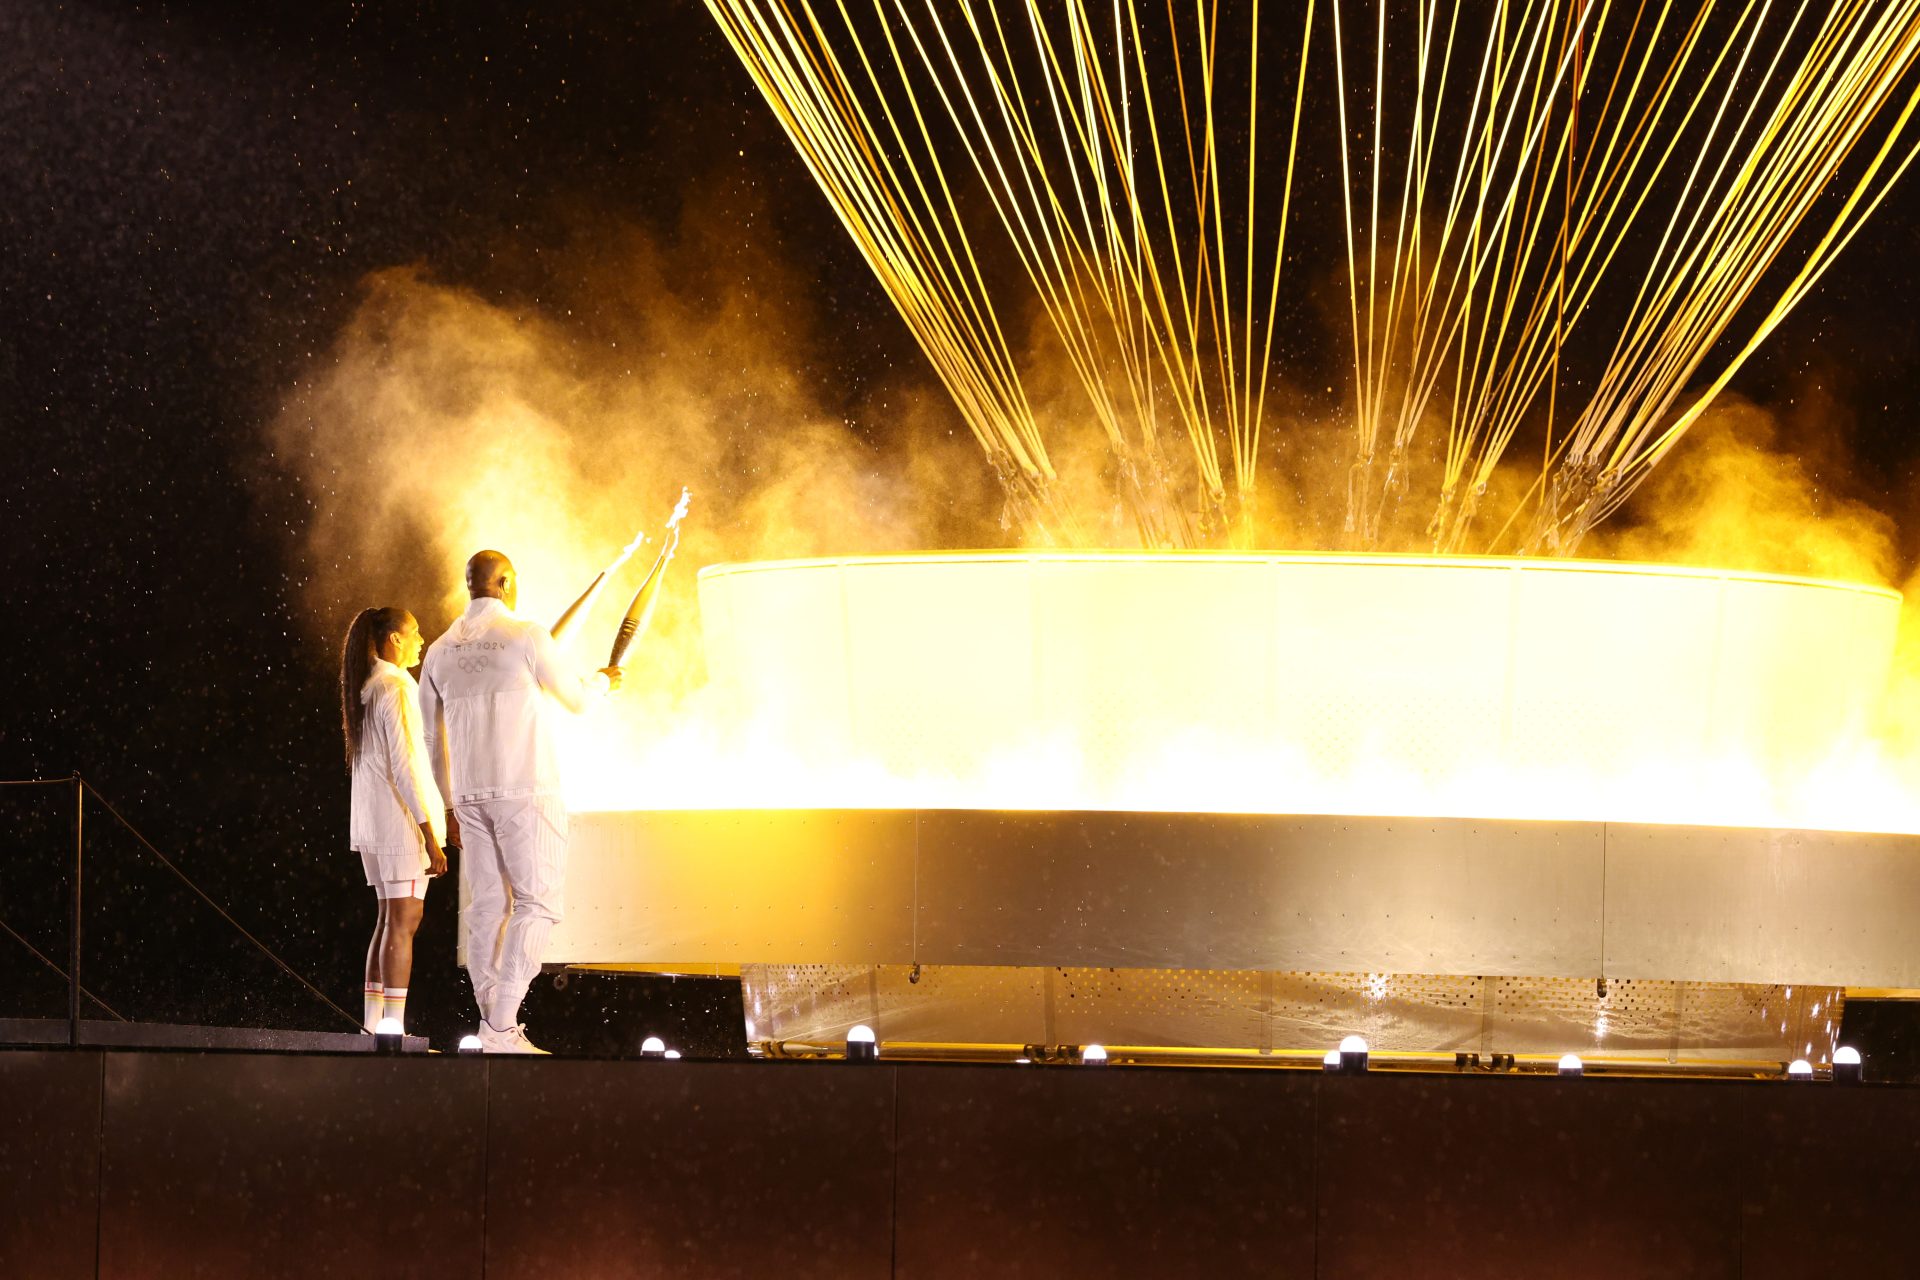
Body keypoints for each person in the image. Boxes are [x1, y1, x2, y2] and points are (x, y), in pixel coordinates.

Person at [421, 551, 623, 1054]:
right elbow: (575, 702)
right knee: (538, 904)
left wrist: (444, 808)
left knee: (490, 905)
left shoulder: (441, 652)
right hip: (527, 790)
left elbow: (429, 738)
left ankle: (496, 1025)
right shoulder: (527, 636)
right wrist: (602, 682)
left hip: (468, 797)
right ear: (506, 581)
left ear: (470, 585)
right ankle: (501, 1023)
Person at [342, 606, 449, 1037]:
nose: (422, 640)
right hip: (400, 826)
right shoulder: (396, 687)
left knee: (388, 920)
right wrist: (430, 835)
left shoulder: (366, 687)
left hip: (373, 825)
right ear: (394, 640)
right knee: (403, 923)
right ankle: (393, 1029)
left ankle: (374, 1027)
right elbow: (406, 766)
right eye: (416, 632)